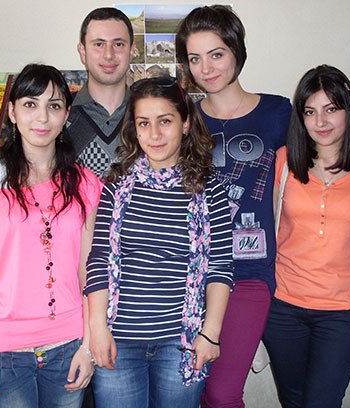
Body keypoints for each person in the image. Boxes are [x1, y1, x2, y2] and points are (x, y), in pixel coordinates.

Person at [0, 64, 102, 407]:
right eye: (30, 104)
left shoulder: (85, 183)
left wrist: (88, 345)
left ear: (66, 115)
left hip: (67, 345)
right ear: (12, 112)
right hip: (1, 351)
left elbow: (89, 271)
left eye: (54, 105)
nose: (42, 117)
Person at [84, 76, 234, 408]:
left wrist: (210, 334)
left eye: (165, 121)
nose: (154, 134)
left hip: (181, 341)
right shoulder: (116, 186)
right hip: (119, 339)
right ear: (134, 129)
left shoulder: (210, 190)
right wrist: (97, 328)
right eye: (144, 123)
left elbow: (220, 267)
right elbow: (99, 259)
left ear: (185, 123)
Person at [175, 6, 291, 407]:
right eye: (195, 58)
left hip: (250, 273)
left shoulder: (278, 112)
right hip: (191, 274)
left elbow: (323, 151)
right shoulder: (184, 121)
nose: (206, 68)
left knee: (222, 393)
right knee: (193, 390)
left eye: (216, 54)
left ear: (237, 51)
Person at [261, 65, 350, 408]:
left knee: (322, 401)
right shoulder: (284, 161)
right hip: (283, 307)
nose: (320, 122)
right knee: (294, 400)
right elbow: (266, 230)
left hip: (344, 312)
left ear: (349, 111)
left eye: (331, 109)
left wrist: (345, 257)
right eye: (310, 112)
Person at [68, 7, 135, 177]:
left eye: (118, 44)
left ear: (131, 51)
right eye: (99, 44)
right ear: (83, 51)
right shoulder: (60, 114)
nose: (108, 55)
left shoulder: (148, 115)